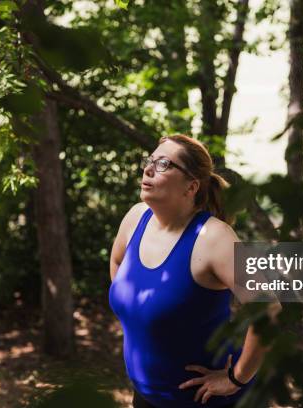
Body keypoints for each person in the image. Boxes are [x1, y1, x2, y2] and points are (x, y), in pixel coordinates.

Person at [109, 134, 267, 408]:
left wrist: (237, 378)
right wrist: (139, 313)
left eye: (164, 164)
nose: (148, 169)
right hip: (147, 397)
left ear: (191, 186)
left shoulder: (214, 238)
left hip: (207, 401)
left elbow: (269, 310)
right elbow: (117, 263)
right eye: (150, 161)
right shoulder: (136, 217)